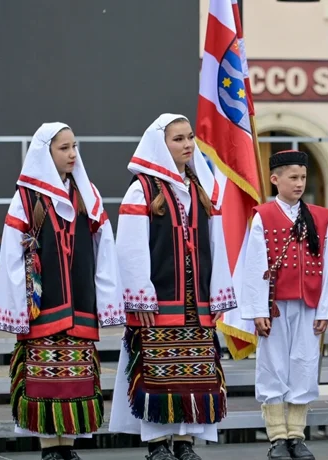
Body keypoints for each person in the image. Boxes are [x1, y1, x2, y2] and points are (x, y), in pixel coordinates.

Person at [109, 114, 237, 460]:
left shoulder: (201, 187)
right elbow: (132, 250)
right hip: (161, 301)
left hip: (197, 303)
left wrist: (219, 291)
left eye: (190, 138)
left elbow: (217, 243)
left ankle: (186, 442)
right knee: (158, 373)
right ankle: (157, 443)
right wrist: (141, 297)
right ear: (160, 146)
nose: (187, 145)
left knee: (196, 375)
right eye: (178, 139)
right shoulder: (143, 189)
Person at [0, 122, 124, 460]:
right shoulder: (26, 198)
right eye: (64, 147)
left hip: (80, 302)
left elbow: (104, 246)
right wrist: (17, 307)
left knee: (76, 376)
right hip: (43, 305)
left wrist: (106, 298)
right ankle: (50, 446)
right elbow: (10, 254)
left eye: (74, 146)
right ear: (45, 153)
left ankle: (69, 445)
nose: (72, 153)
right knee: (44, 377)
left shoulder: (86, 193)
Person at [239, 149, 328, 460]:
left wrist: (325, 308)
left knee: (305, 365)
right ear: (275, 179)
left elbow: (326, 265)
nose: (299, 183)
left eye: (303, 177)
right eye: (293, 177)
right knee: (273, 366)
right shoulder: (263, 216)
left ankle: (296, 434)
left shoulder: (319, 216)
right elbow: (255, 263)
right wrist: (258, 311)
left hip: (309, 303)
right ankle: (277, 436)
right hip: (275, 306)